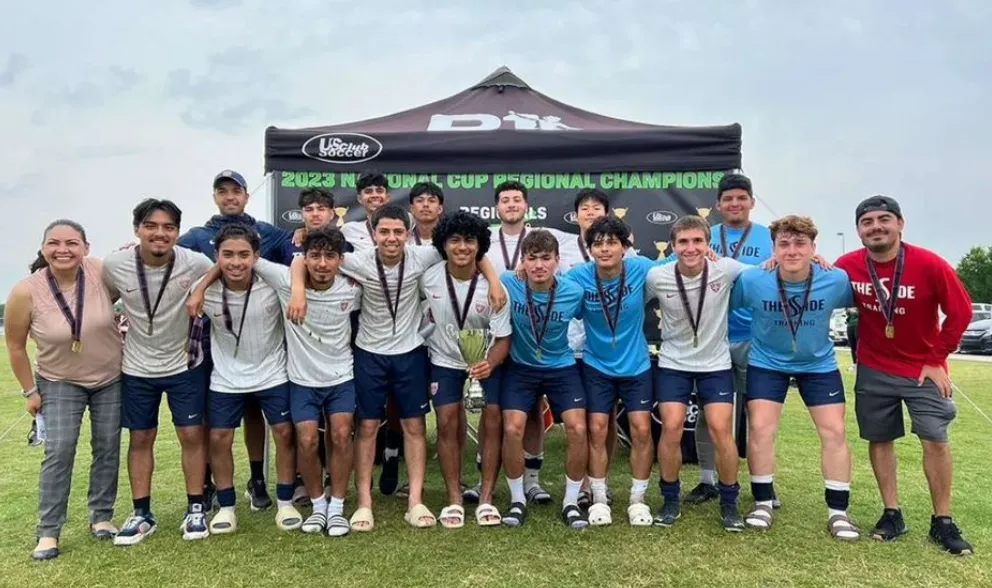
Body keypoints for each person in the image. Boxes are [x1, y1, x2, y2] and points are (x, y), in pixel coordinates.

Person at [287, 204, 505, 530]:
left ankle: (415, 502)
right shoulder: (357, 260)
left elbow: (473, 250)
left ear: (408, 233)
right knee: (368, 429)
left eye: (398, 232)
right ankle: (364, 503)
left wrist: (493, 280)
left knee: (415, 428)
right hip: (368, 355)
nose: (391, 239)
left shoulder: (423, 255)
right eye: (384, 232)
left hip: (411, 353)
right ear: (373, 233)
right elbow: (302, 260)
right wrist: (298, 289)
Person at [835, 195, 973, 556]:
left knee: (935, 440)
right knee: (880, 439)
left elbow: (960, 312)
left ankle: (942, 520)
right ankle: (891, 512)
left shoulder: (929, 264)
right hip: (874, 368)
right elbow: (814, 281)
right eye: (868, 222)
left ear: (900, 223)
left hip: (922, 370)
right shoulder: (848, 265)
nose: (876, 227)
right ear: (858, 230)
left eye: (884, 219)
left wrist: (936, 358)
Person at [730, 215, 859, 540]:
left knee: (834, 431)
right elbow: (727, 306)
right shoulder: (753, 280)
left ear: (814, 248)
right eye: (784, 244)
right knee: (760, 429)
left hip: (817, 364)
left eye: (800, 243)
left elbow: (861, 304)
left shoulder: (836, 280)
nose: (791, 250)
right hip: (766, 362)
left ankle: (838, 512)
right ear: (772, 248)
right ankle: (762, 502)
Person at [4, 220, 123, 560]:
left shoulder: (100, 272)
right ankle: (48, 532)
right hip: (58, 380)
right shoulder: (25, 291)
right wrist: (30, 392)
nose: (63, 250)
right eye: (54, 243)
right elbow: (14, 346)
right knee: (60, 450)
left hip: (109, 377)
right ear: (43, 249)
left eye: (72, 243)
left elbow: (124, 291)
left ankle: (101, 517)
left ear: (86, 247)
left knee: (107, 446)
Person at [178, 170, 293, 511]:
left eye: (236, 191)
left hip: (260, 334)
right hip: (216, 344)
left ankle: (258, 479)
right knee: (215, 424)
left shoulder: (269, 233)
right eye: (222, 191)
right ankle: (211, 484)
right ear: (215, 196)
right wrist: (201, 286)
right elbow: (175, 261)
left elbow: (288, 257)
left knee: (256, 414)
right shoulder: (197, 235)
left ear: (246, 195)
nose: (230, 197)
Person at [104, 198, 215, 545]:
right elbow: (101, 300)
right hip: (137, 366)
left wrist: (199, 287)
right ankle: (141, 514)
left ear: (177, 232)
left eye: (168, 227)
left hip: (185, 364)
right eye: (151, 226)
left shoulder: (195, 262)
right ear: (137, 229)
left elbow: (220, 269)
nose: (159, 234)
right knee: (140, 438)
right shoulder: (115, 264)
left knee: (192, 436)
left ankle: (195, 509)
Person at [186, 224, 302, 534]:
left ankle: (285, 501)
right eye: (227, 255)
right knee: (219, 439)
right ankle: (226, 506)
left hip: (273, 372)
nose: (236, 262)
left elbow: (298, 270)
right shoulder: (204, 290)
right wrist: (202, 285)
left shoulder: (272, 282)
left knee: (284, 434)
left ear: (256, 256)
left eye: (243, 255)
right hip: (226, 377)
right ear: (216, 257)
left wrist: (250, 262)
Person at [646, 215, 749, 531]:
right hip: (673, 363)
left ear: (708, 244)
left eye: (697, 241)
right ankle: (670, 499)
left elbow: (771, 273)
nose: (690, 248)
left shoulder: (727, 268)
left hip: (715, 364)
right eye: (683, 242)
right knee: (672, 428)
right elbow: (630, 302)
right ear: (673, 246)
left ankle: (729, 503)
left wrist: (813, 256)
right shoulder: (656, 276)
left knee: (720, 429)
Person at [257, 227, 362, 537]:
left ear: (341, 261)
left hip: (342, 376)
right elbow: (251, 260)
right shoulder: (286, 281)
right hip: (301, 379)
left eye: (330, 256)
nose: (322, 263)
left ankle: (338, 507)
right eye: (314, 256)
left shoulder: (352, 287)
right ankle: (318, 505)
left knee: (342, 436)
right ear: (304, 258)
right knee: (306, 440)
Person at [474, 180, 570, 506]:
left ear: (526, 206)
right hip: (495, 336)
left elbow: (563, 274)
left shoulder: (542, 238)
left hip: (533, 338)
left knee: (532, 412)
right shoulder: (486, 241)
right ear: (496, 207)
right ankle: (483, 478)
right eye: (505, 200)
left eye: (517, 199)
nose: (511, 204)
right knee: (491, 411)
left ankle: (532, 480)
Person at [685, 172, 775, 507]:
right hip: (714, 338)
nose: (735, 204)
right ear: (718, 205)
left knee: (758, 414)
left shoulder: (770, 237)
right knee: (710, 413)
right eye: (728, 199)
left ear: (752, 201)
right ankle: (707, 480)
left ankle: (762, 483)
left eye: (741, 198)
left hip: (757, 337)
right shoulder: (703, 236)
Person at [420, 211, 511, 528]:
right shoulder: (428, 277)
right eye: (455, 240)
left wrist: (491, 361)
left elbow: (503, 338)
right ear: (443, 244)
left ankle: (486, 497)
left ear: (479, 245)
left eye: (469, 240)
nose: (462, 247)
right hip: (443, 361)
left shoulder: (495, 288)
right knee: (446, 423)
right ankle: (454, 500)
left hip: (486, 363)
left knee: (493, 421)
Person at [566, 217, 658, 526]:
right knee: (597, 429)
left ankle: (638, 499)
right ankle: (600, 498)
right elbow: (547, 287)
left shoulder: (642, 268)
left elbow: (683, 264)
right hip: (596, 365)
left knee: (642, 430)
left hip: (636, 366)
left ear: (624, 246)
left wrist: (708, 255)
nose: (605, 249)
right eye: (598, 243)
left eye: (611, 242)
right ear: (590, 249)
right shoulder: (578, 276)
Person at [499, 230, 588, 529]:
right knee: (512, 428)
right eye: (532, 258)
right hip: (520, 367)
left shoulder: (573, 291)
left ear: (557, 261)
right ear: (522, 261)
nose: (539, 265)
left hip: (561, 366)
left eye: (546, 258)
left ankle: (571, 503)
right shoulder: (508, 283)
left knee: (577, 428)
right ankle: (516, 500)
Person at [408, 181, 444, 246]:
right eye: (420, 201)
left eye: (432, 201)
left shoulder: (448, 238)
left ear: (440, 208)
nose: (425, 204)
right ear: (412, 208)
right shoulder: (404, 238)